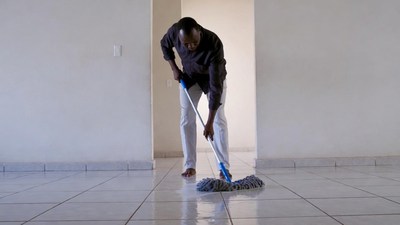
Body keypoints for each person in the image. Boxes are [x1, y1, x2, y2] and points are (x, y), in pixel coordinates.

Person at [161, 17, 231, 179]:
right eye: (186, 44)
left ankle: (224, 167)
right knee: (186, 119)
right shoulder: (174, 32)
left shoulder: (213, 42)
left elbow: (215, 87)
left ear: (199, 32)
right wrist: (174, 69)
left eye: (194, 42)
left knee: (218, 120)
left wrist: (209, 122)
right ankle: (190, 166)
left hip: (212, 79)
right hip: (190, 77)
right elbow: (164, 46)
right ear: (179, 38)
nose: (191, 46)